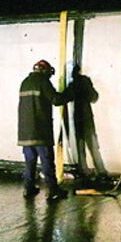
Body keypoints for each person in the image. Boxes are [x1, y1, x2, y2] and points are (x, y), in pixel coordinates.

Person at [18, 59, 75, 200]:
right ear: (45, 71)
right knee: (47, 161)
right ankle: (53, 190)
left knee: (30, 162)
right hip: (40, 130)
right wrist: (70, 92)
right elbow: (56, 100)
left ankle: (28, 188)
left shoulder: (25, 82)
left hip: (25, 132)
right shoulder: (43, 82)